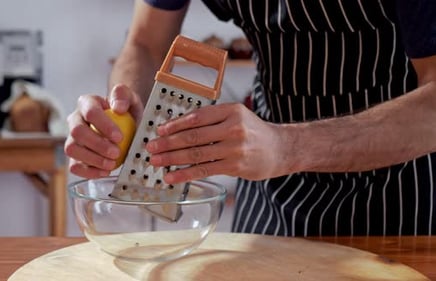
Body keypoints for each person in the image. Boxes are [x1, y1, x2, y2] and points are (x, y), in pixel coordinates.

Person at [65, 0, 436, 236]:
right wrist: (124, 109)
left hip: (401, 195)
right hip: (269, 194)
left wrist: (288, 146)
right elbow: (145, 42)